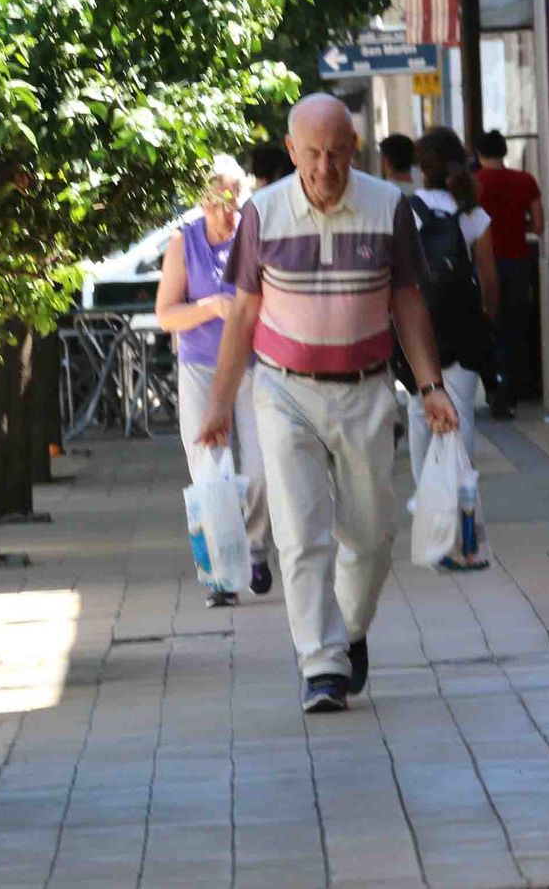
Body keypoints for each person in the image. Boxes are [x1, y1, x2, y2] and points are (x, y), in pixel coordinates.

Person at [197, 93, 459, 714]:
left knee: (371, 536)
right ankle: (320, 665)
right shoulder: (262, 214)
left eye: (337, 154)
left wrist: (431, 387)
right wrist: (219, 404)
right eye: (312, 154)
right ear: (291, 152)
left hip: (367, 388)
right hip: (284, 391)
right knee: (300, 532)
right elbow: (243, 315)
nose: (324, 168)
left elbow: (407, 301)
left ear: (354, 151)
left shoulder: (387, 206)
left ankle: (350, 631)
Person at [156, 154, 275, 607]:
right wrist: (210, 307)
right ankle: (220, 575)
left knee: (261, 470)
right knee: (208, 471)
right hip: (202, 368)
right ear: (201, 201)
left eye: (232, 200)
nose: (224, 212)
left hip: (254, 366)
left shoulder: (258, 238)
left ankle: (257, 549)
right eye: (214, 202)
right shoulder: (183, 243)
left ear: (244, 197)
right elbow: (166, 314)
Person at [399, 129, 498, 534]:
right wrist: (488, 318)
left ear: (421, 168)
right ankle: (461, 496)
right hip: (463, 326)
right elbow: (489, 279)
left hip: (418, 326)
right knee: (461, 411)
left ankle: (426, 495)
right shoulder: (472, 213)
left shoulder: (407, 210)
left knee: (419, 411)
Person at [474, 130, 544, 419]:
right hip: (518, 262)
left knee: (484, 328)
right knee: (514, 329)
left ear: (479, 154)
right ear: (504, 152)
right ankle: (511, 393)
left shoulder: (474, 184)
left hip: (482, 264)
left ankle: (492, 388)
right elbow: (538, 224)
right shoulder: (525, 181)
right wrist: (518, 228)